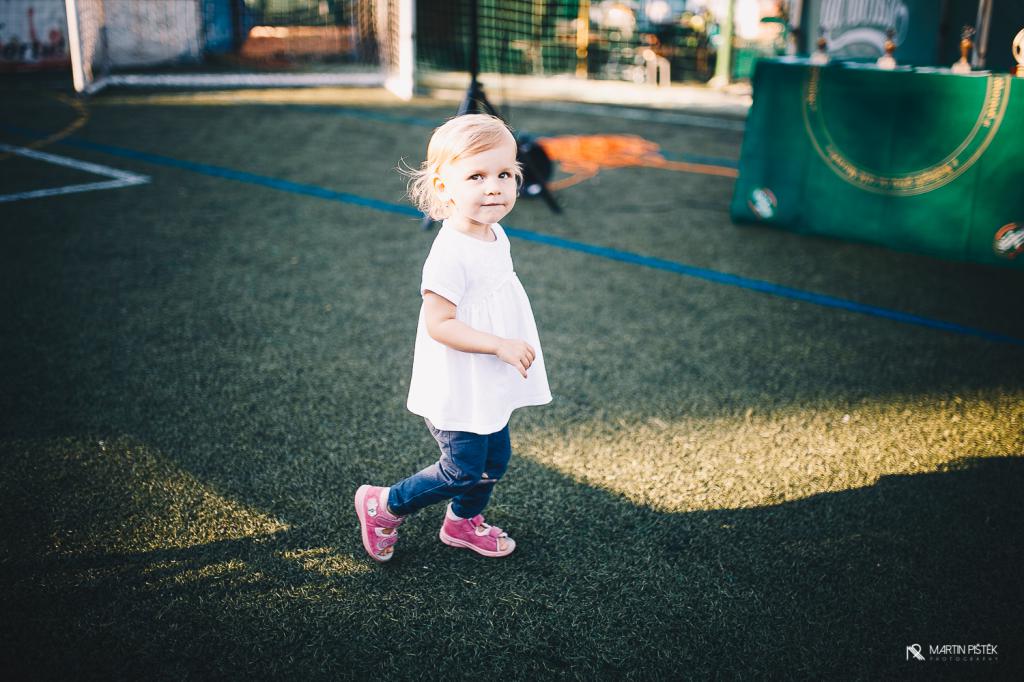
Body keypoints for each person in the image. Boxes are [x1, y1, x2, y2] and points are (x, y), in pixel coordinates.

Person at [355, 114, 552, 562]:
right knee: (462, 469)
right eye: (476, 177)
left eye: (504, 174)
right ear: (444, 188)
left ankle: (461, 522)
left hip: (487, 375)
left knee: (494, 460)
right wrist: (499, 344)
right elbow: (440, 324)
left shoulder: (493, 231)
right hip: (459, 381)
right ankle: (385, 505)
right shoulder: (449, 253)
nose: (494, 188)